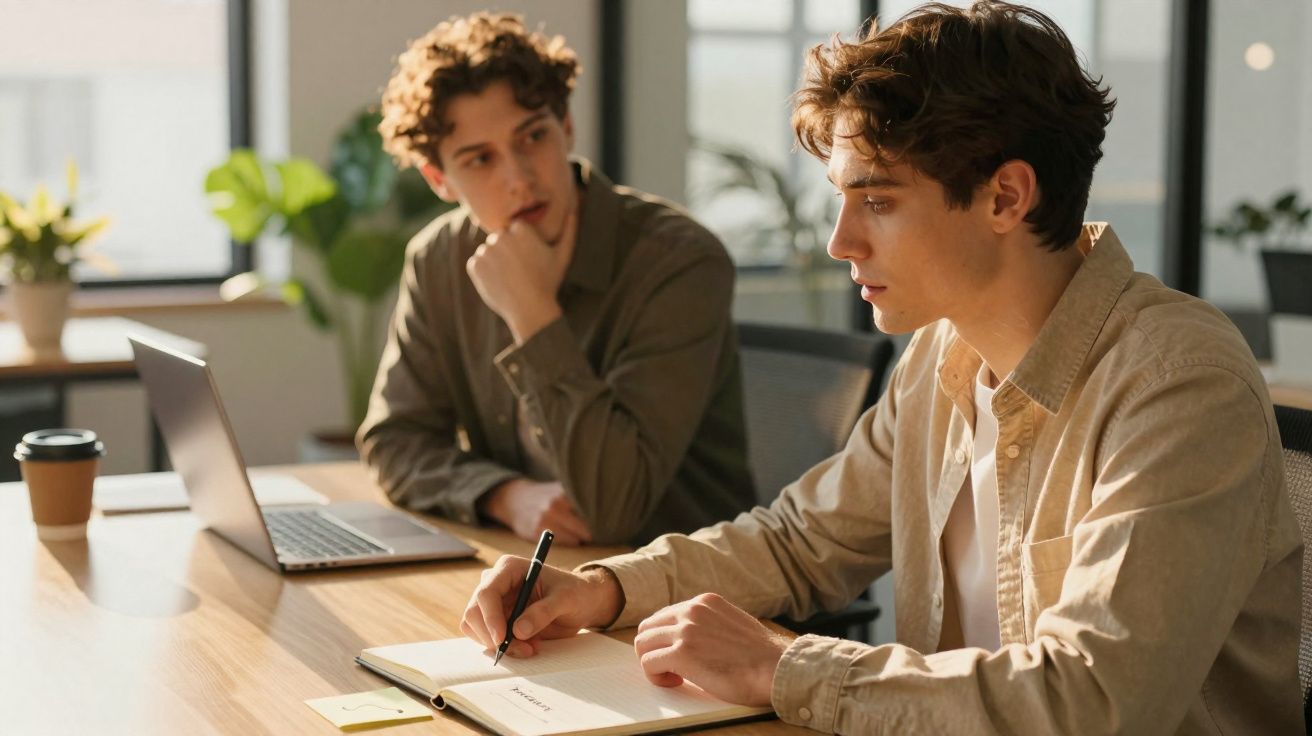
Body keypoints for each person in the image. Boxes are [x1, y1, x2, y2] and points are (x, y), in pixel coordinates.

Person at [460, 2, 1304, 732]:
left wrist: (781, 667)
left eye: (878, 201)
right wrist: (602, 589)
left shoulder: (1177, 383)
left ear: (1007, 197)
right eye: (842, 199)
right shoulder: (943, 353)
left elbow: (1092, 700)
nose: (840, 241)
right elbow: (800, 543)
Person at [358, 12, 755, 547]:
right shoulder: (440, 260)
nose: (519, 179)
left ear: (565, 126)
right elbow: (394, 440)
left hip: (681, 577)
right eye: (480, 159)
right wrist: (504, 496)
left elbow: (614, 508)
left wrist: (533, 314)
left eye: (533, 136)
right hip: (536, 564)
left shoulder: (679, 260)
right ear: (439, 180)